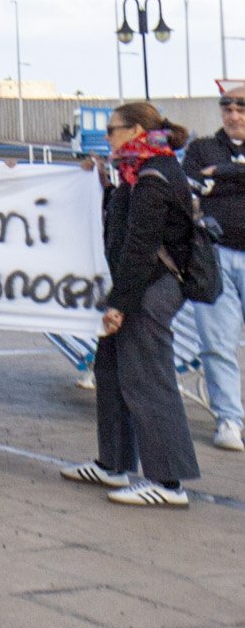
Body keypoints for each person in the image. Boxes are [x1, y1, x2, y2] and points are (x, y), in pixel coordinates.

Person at [64, 101, 202, 507]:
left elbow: (140, 246)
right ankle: (114, 462)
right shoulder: (135, 170)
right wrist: (104, 183)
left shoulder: (154, 176)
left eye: (112, 129)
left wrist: (119, 304)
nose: (106, 136)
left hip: (151, 289)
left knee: (148, 380)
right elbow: (119, 226)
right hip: (137, 285)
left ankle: (168, 481)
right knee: (110, 370)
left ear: (136, 130)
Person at [174, 81, 245, 453]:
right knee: (216, 343)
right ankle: (229, 418)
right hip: (214, 256)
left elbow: (211, 183)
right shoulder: (202, 149)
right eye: (227, 108)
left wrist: (225, 175)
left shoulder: (213, 159)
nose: (233, 115)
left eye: (241, 108)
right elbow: (192, 186)